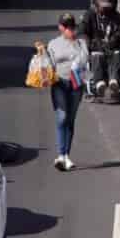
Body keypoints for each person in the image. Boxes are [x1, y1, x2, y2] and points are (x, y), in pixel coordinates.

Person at [43, 13, 88, 171]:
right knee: (61, 117)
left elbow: (83, 59)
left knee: (70, 119)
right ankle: (61, 155)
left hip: (76, 84)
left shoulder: (81, 42)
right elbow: (49, 63)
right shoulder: (53, 44)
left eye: (71, 26)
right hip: (59, 83)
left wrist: (75, 42)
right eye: (66, 26)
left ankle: (66, 156)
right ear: (60, 27)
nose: (69, 29)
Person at [83, 0, 120, 96]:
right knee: (96, 56)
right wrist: (90, 43)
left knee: (117, 54)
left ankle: (114, 82)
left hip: (112, 49)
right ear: (97, 4)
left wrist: (118, 36)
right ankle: (99, 84)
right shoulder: (90, 16)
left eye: (108, 6)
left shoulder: (116, 17)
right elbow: (81, 32)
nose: (106, 9)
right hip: (97, 49)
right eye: (103, 7)